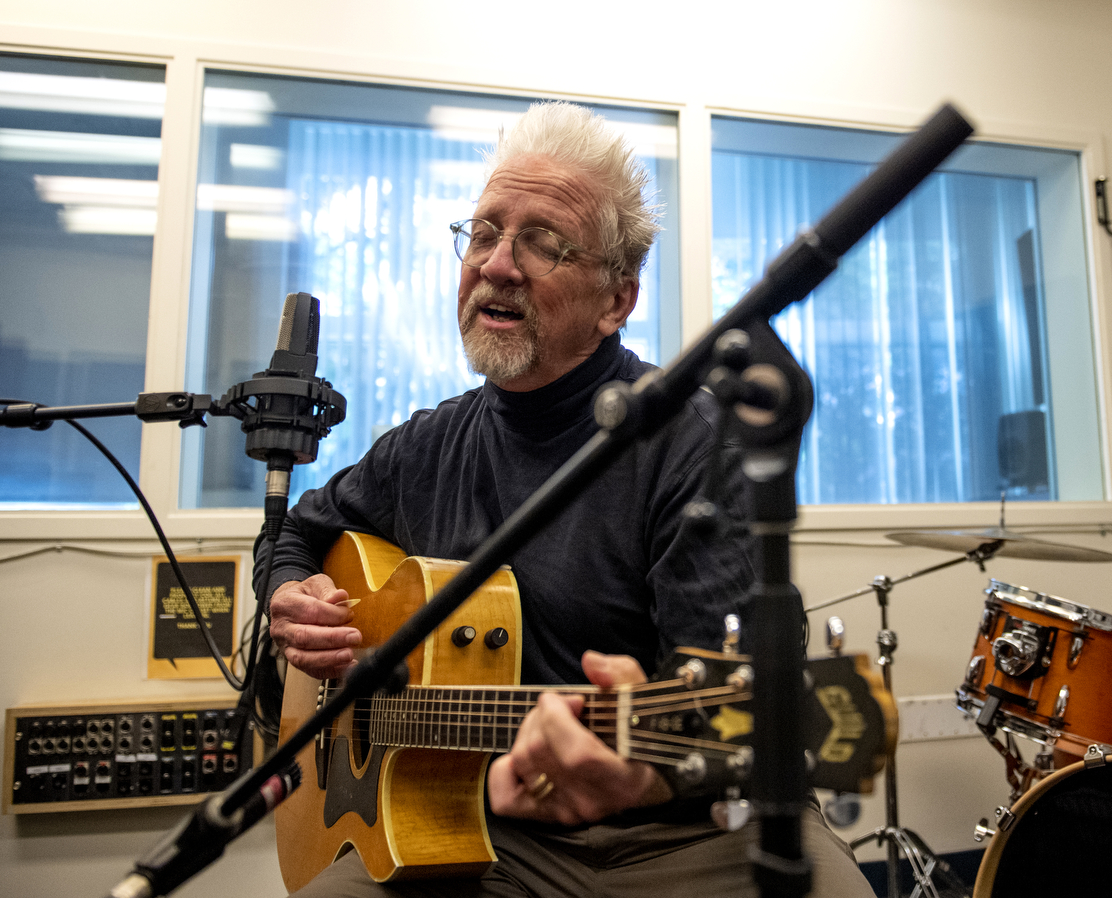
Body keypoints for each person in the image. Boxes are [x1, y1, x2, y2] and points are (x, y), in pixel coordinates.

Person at [266, 101, 875, 897]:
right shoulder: (424, 446)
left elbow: (737, 693)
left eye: (542, 243)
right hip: (470, 829)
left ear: (616, 300)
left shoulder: (693, 440)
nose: (497, 264)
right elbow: (295, 535)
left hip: (677, 833)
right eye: (483, 233)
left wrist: (645, 778)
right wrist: (289, 595)